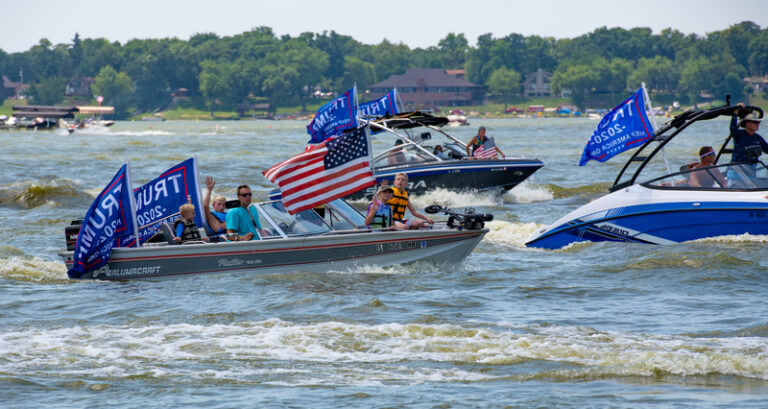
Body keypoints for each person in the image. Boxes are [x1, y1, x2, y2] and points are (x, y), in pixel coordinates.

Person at [202, 176, 227, 241]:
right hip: (220, 238)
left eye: (223, 205)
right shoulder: (211, 215)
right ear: (213, 205)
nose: (221, 207)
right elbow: (205, 206)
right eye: (219, 204)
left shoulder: (228, 214)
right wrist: (209, 189)